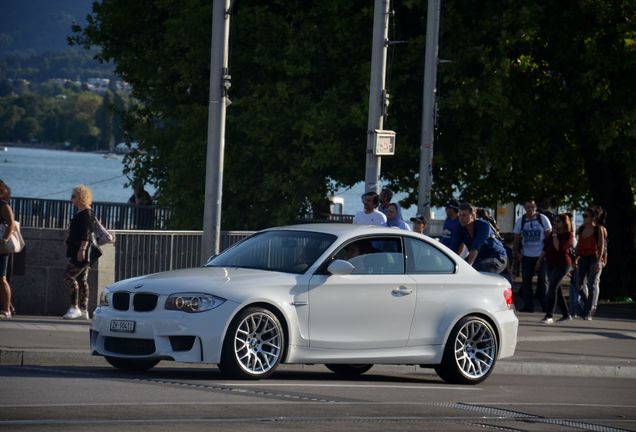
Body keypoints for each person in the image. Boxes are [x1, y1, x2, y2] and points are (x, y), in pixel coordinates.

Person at [513, 198, 552, 313]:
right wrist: (517, 253)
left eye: (532, 207)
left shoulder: (542, 219)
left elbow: (548, 237)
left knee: (543, 281)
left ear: (535, 208)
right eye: (528, 207)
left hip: (541, 254)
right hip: (527, 255)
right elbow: (516, 238)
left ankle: (546, 306)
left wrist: (546, 253)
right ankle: (528, 306)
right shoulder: (521, 220)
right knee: (526, 282)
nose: (530, 210)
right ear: (524, 208)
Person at [63, 185, 95, 320]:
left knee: (68, 277)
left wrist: (82, 249)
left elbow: (86, 234)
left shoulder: (86, 213)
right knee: (82, 280)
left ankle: (74, 307)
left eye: (73, 196)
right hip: (79, 250)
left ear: (80, 197)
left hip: (81, 252)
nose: (71, 199)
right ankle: (83, 310)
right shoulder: (82, 212)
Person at [451, 203, 508, 274]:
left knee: (473, 269)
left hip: (498, 258)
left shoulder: (483, 225)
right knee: (459, 268)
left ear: (473, 216)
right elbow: (454, 247)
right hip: (480, 259)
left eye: (464, 215)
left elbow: (475, 247)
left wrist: (468, 267)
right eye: (460, 215)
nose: (461, 218)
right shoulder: (459, 227)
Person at [537, 213, 574, 324]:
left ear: (564, 223)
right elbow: (545, 248)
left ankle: (549, 315)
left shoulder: (568, 235)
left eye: (558, 221)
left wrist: (554, 235)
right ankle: (566, 314)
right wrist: (539, 260)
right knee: (556, 289)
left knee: (552, 287)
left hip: (562, 264)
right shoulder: (552, 235)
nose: (555, 223)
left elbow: (559, 247)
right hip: (550, 263)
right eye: (554, 221)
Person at [575, 206, 606, 321]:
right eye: (583, 215)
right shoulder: (582, 228)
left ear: (593, 218)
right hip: (583, 257)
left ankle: (588, 312)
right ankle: (589, 304)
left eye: (586, 216)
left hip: (594, 257)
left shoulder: (598, 229)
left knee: (592, 284)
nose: (583, 218)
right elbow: (579, 245)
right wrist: (576, 258)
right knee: (579, 285)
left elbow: (601, 246)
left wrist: (599, 262)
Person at [0, 179, 15, 319]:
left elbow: (11, 225)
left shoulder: (4, 206)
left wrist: (3, 240)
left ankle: (6, 309)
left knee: (2, 278)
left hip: (2, 248)